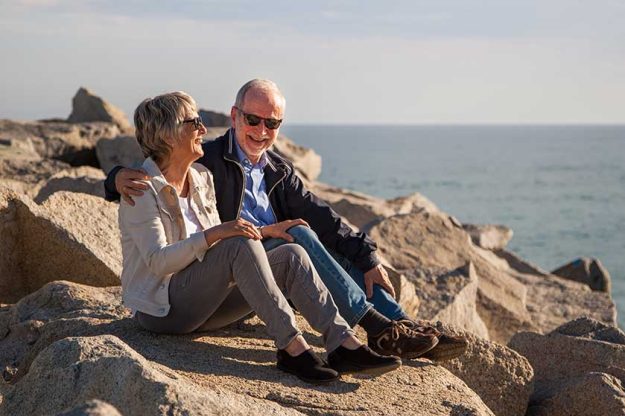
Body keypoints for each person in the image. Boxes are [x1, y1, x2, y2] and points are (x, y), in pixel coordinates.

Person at [107, 80, 467, 361]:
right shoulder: (209, 158)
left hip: (263, 260)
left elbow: (324, 217)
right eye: (253, 119)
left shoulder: (278, 170)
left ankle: (398, 325)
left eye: (272, 122)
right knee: (298, 235)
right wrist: (116, 177)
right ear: (235, 116)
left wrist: (368, 257)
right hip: (236, 263)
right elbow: (158, 171)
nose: (262, 130)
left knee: (326, 245)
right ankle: (377, 327)